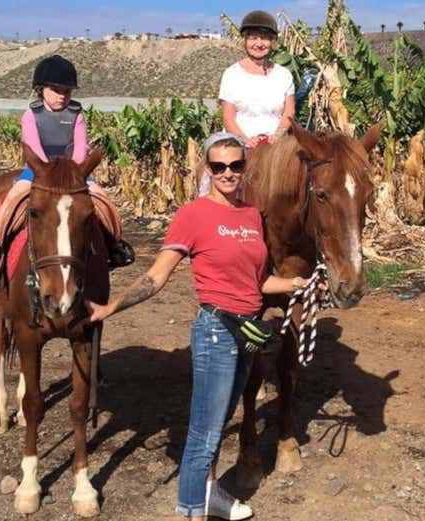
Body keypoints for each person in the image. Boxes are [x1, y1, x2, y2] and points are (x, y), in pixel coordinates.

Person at [87, 132, 313, 521]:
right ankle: (192, 509)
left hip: (248, 333)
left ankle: (208, 497)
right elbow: (156, 277)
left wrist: (299, 283)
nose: (228, 173)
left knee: (221, 420)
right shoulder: (192, 215)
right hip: (215, 331)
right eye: (219, 166)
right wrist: (111, 308)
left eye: (236, 165)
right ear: (208, 169)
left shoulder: (251, 216)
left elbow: (258, 283)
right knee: (204, 433)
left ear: (246, 169)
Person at [0, 54, 133, 273]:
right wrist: (46, 170)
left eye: (67, 91)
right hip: (38, 170)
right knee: (13, 196)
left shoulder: (76, 115)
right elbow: (33, 146)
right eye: (56, 90)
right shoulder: (31, 115)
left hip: (73, 172)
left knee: (102, 199)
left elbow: (81, 147)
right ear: (41, 89)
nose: (62, 96)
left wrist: (74, 171)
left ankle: (114, 244)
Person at [219, 10, 295, 152]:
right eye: (253, 38)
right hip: (239, 144)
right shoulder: (231, 74)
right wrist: (245, 140)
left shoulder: (284, 75)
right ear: (245, 40)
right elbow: (228, 117)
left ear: (272, 41)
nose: (259, 44)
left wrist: (276, 136)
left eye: (264, 38)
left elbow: (289, 112)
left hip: (276, 145)